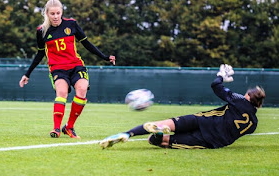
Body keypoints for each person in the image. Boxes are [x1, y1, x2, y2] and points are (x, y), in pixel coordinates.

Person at [99, 64, 265, 149]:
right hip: (212, 140)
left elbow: (216, 85)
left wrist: (221, 76)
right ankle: (159, 135)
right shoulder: (253, 124)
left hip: (202, 121)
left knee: (164, 123)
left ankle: (127, 133)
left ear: (248, 96)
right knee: (156, 141)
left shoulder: (239, 100)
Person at [19, 0, 116, 139]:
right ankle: (56, 128)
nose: (56, 16)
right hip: (57, 68)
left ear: (61, 12)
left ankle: (69, 127)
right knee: (62, 92)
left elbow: (87, 44)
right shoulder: (42, 31)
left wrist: (105, 57)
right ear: (46, 13)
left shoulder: (71, 24)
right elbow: (40, 53)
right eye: (52, 13)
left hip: (75, 65)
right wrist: (27, 74)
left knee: (82, 90)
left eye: (58, 13)